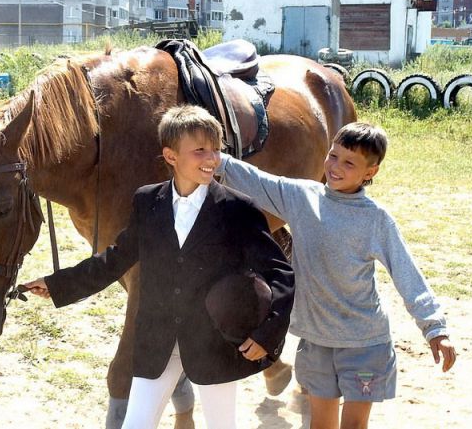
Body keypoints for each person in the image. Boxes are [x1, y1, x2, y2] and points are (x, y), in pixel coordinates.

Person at [23, 105, 295, 429]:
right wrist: (58, 284)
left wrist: (268, 334)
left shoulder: (238, 209)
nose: (211, 159)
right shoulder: (147, 201)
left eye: (216, 150)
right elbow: (115, 259)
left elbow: (280, 272)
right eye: (200, 151)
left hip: (215, 347)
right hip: (157, 342)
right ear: (171, 156)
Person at [216, 122, 456, 429]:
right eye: (333, 156)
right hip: (316, 343)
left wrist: (435, 328)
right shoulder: (302, 197)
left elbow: (406, 272)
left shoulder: (376, 220)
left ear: (371, 172)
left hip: (364, 345)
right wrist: (216, 158)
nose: (335, 167)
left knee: (354, 426)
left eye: (349, 162)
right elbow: (258, 181)